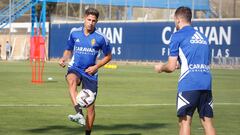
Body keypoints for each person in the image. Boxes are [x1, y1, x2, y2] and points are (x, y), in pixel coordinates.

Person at [155, 6, 216, 135]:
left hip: (189, 83)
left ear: (178, 20)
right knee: (207, 122)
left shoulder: (177, 36)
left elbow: (171, 67)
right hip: (206, 83)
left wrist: (161, 68)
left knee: (184, 122)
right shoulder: (203, 37)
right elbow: (200, 60)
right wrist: (181, 64)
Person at [59, 7, 112, 135]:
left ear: (97, 21)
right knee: (71, 81)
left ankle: (87, 133)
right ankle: (78, 113)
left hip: (91, 73)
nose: (91, 22)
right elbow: (68, 49)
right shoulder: (74, 32)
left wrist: (95, 67)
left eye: (94, 20)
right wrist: (64, 58)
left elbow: (108, 56)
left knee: (91, 108)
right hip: (75, 68)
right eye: (89, 19)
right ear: (84, 18)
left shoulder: (101, 38)